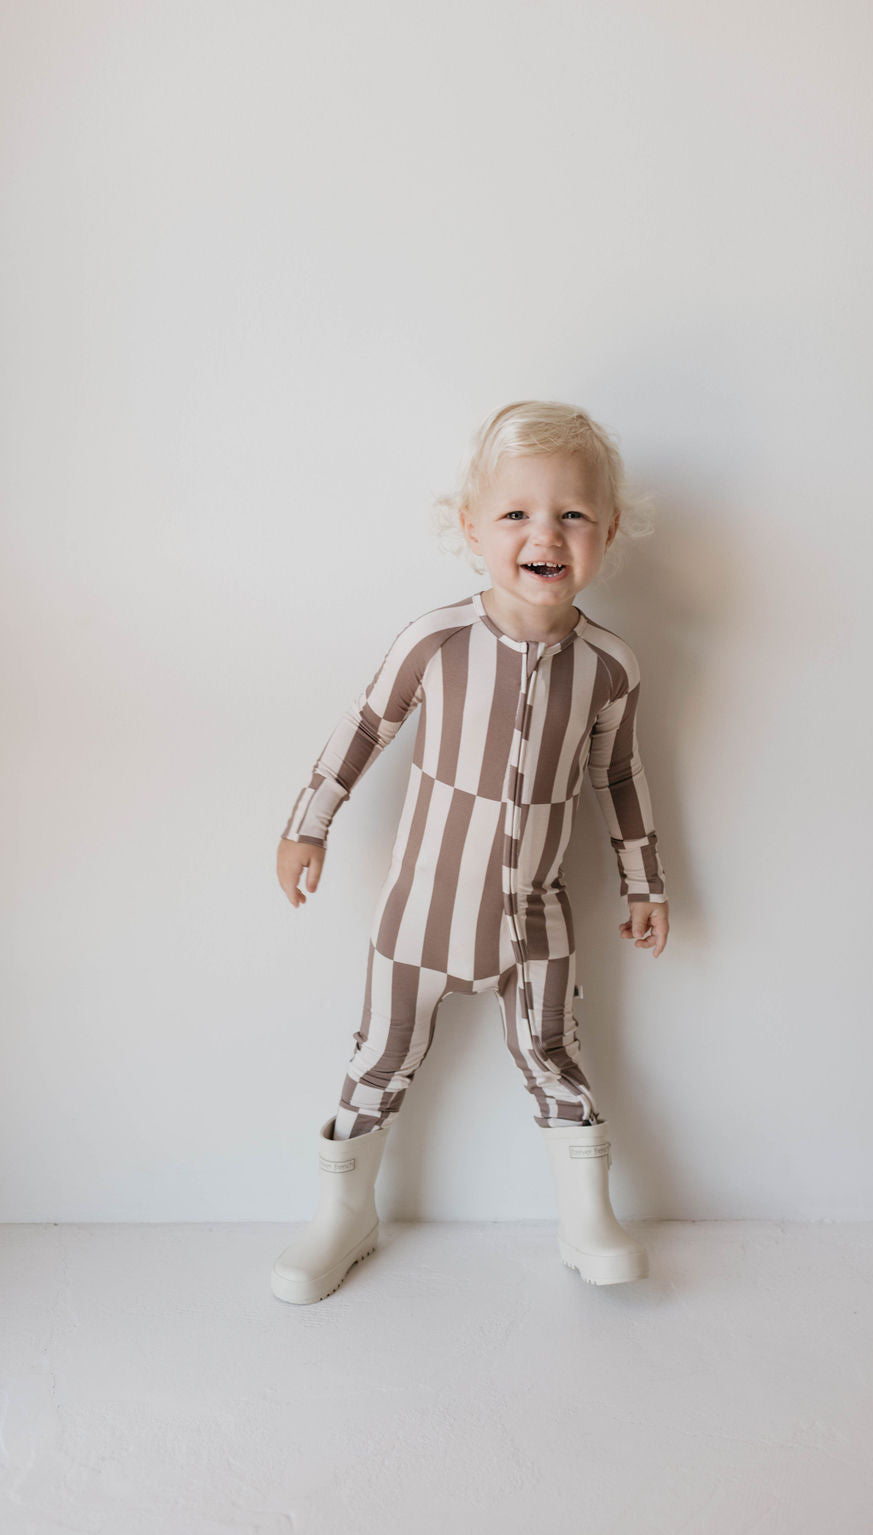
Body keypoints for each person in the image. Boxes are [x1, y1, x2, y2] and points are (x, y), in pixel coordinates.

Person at [271, 400, 670, 1303]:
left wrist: (645, 881)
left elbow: (620, 776)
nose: (547, 534)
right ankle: (345, 1213)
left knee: (554, 1050)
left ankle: (586, 1213)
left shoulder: (610, 664)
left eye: (573, 514)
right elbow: (367, 725)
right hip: (419, 909)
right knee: (378, 1054)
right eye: (518, 514)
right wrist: (309, 821)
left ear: (608, 531)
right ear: (470, 529)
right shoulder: (437, 639)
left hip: (537, 914)